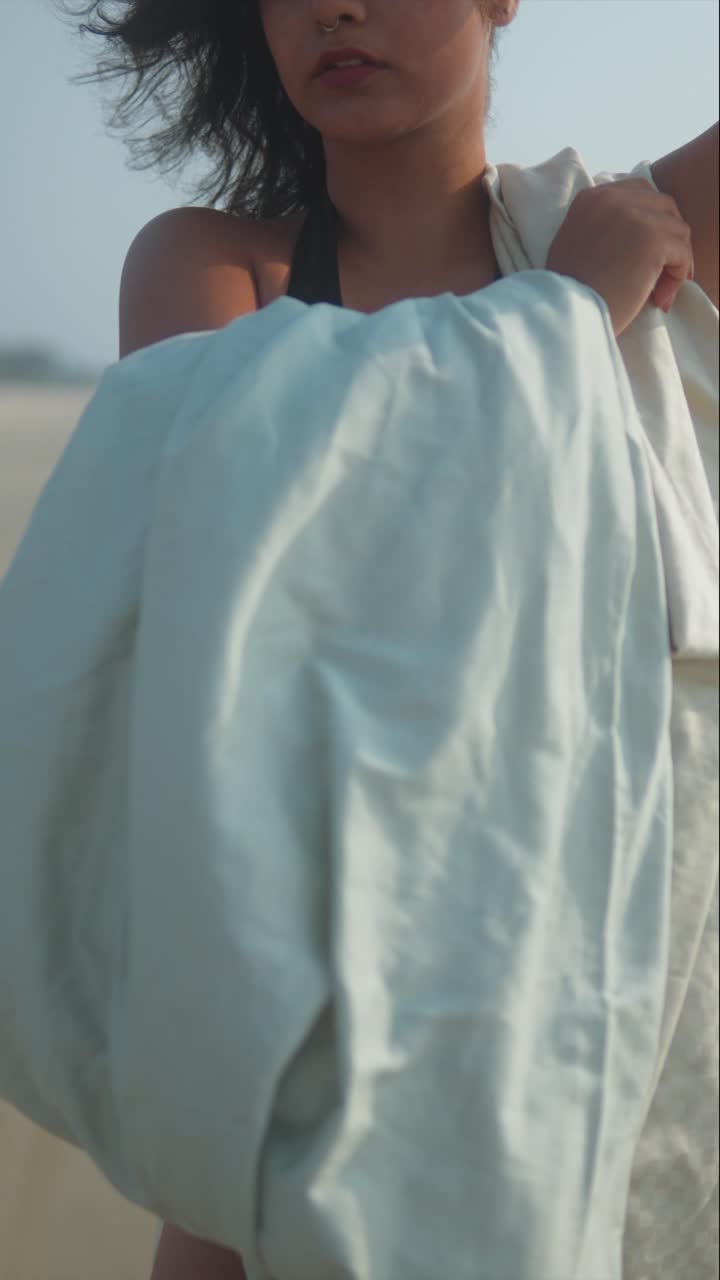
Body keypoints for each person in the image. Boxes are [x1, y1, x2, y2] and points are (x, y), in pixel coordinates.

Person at [47, 2, 717, 1278]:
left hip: (587, 1021)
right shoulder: (214, 266)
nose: (334, 7)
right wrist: (563, 319)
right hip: (299, 1027)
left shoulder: (646, 228)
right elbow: (250, 554)